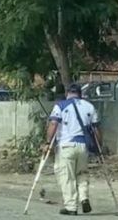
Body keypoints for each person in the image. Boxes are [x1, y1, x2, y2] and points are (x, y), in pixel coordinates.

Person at [42, 83, 102, 216]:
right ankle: (84, 197)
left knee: (67, 176)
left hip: (66, 146)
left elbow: (53, 123)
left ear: (67, 93)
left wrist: (47, 143)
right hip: (83, 146)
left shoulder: (61, 106)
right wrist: (99, 147)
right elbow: (96, 129)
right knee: (82, 173)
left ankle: (71, 207)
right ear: (80, 94)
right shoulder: (90, 107)